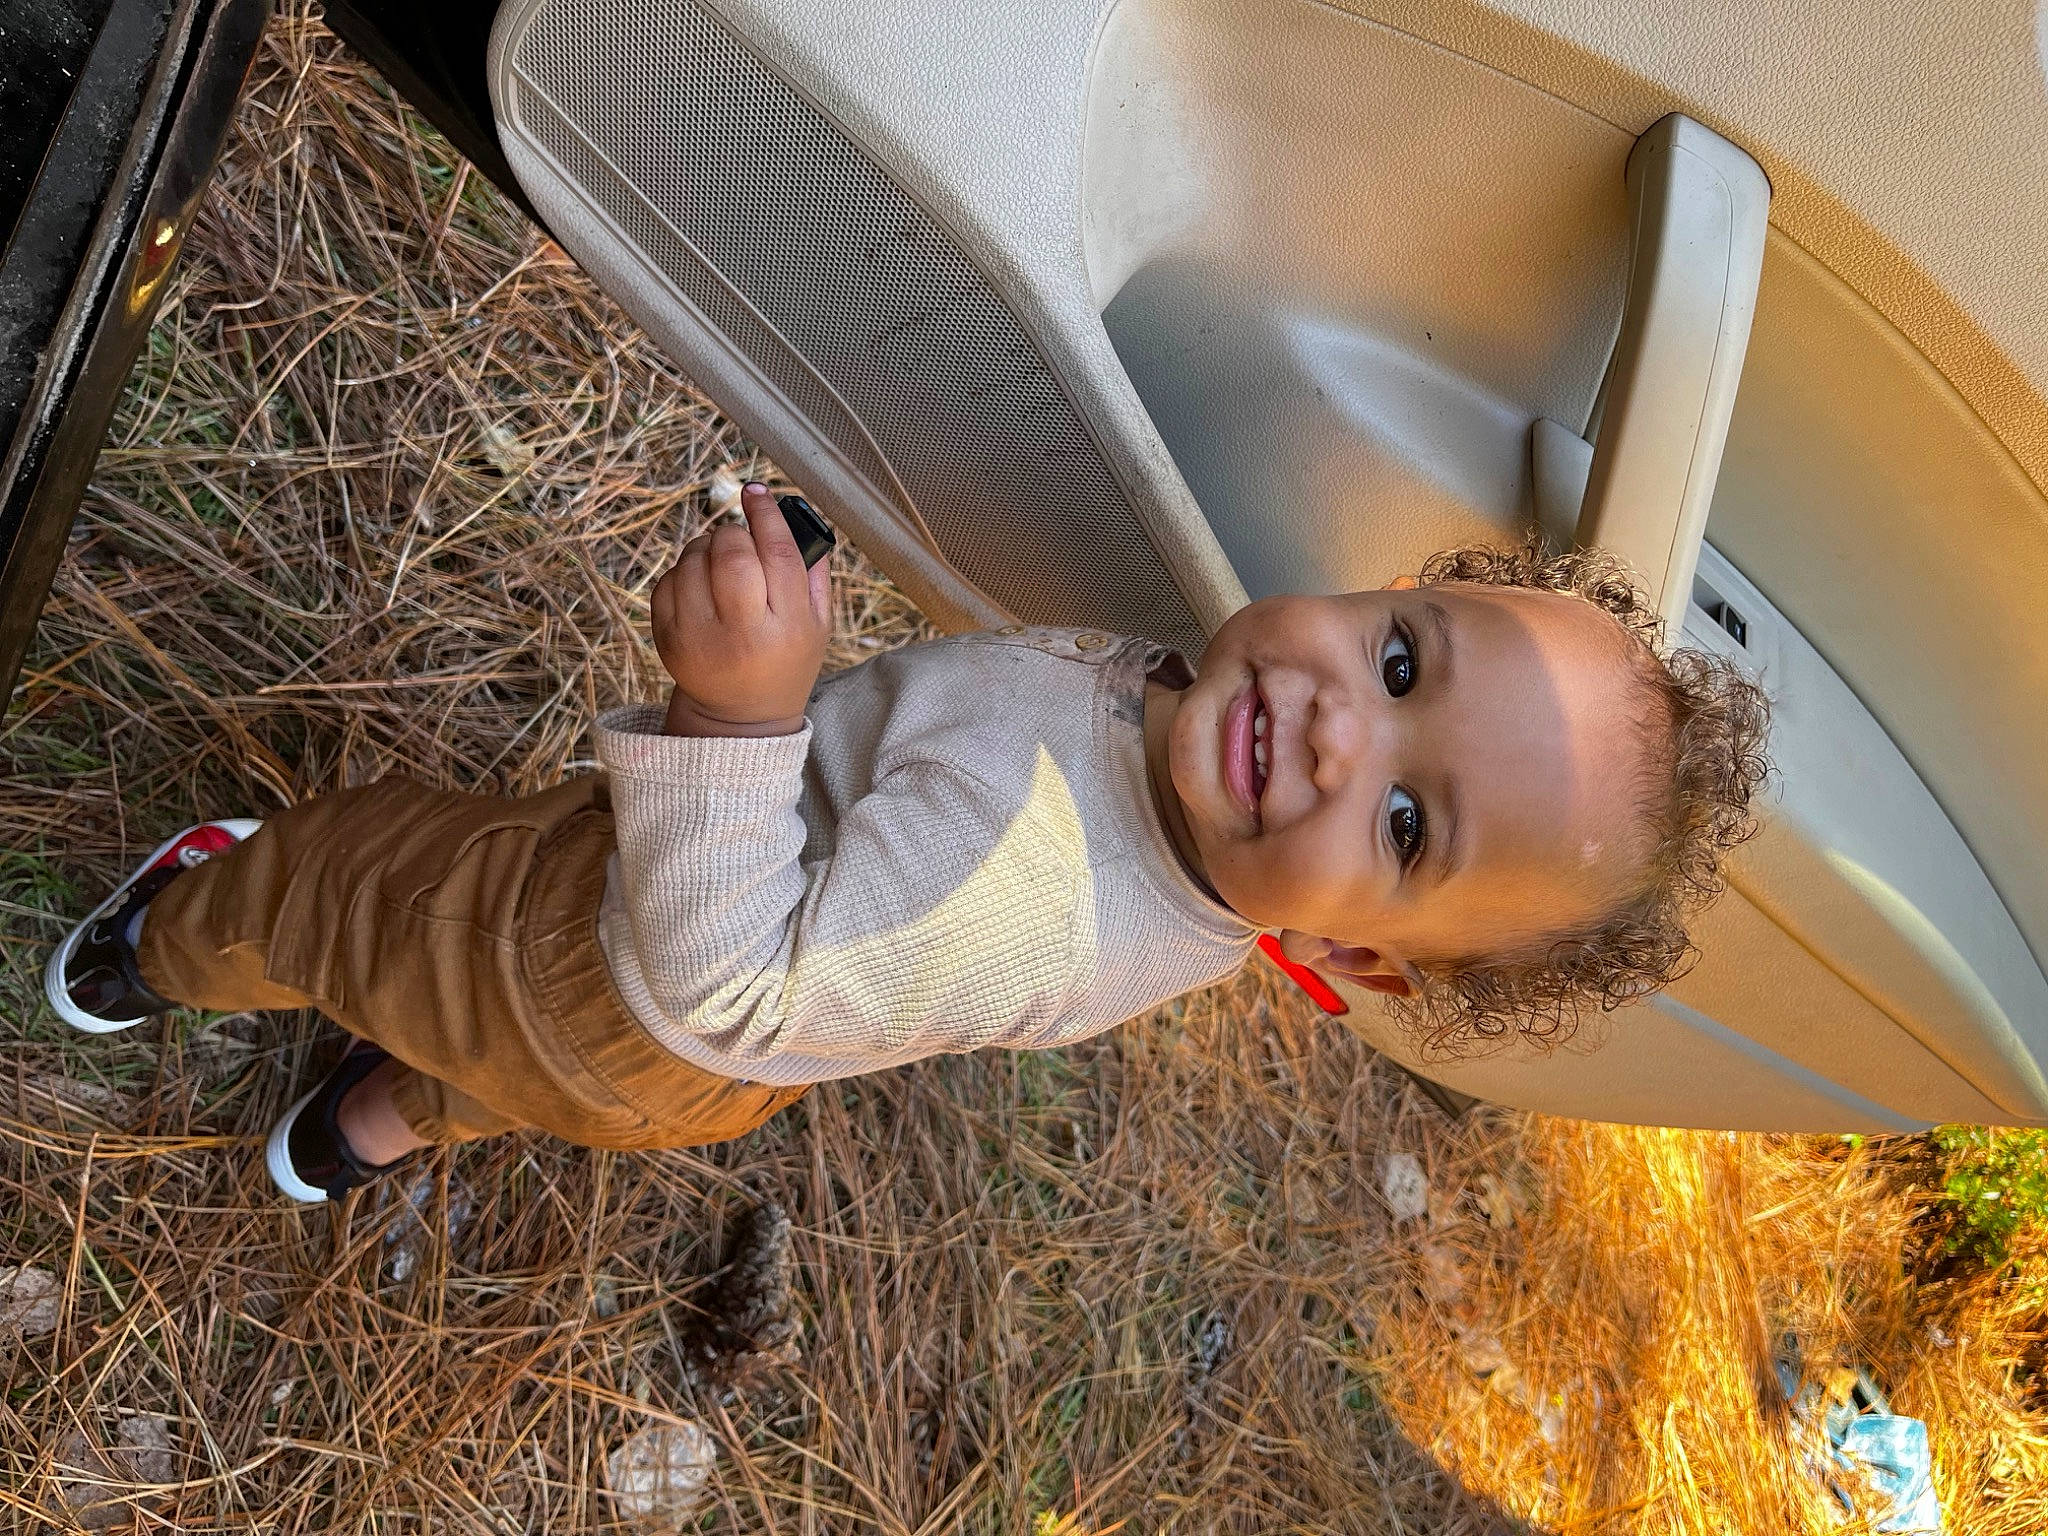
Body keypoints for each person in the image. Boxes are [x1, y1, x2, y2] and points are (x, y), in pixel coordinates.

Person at [44, 483, 1770, 1204]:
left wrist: (736, 714)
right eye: (1400, 665)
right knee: (484, 1069)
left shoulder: (1027, 893)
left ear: (1349, 958)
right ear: (1390, 590)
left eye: (1406, 820)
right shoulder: (1198, 755)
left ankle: (177, 934)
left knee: (350, 891)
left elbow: (724, 985)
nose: (1339, 732)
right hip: (650, 1053)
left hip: (623, 966)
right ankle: (368, 1124)